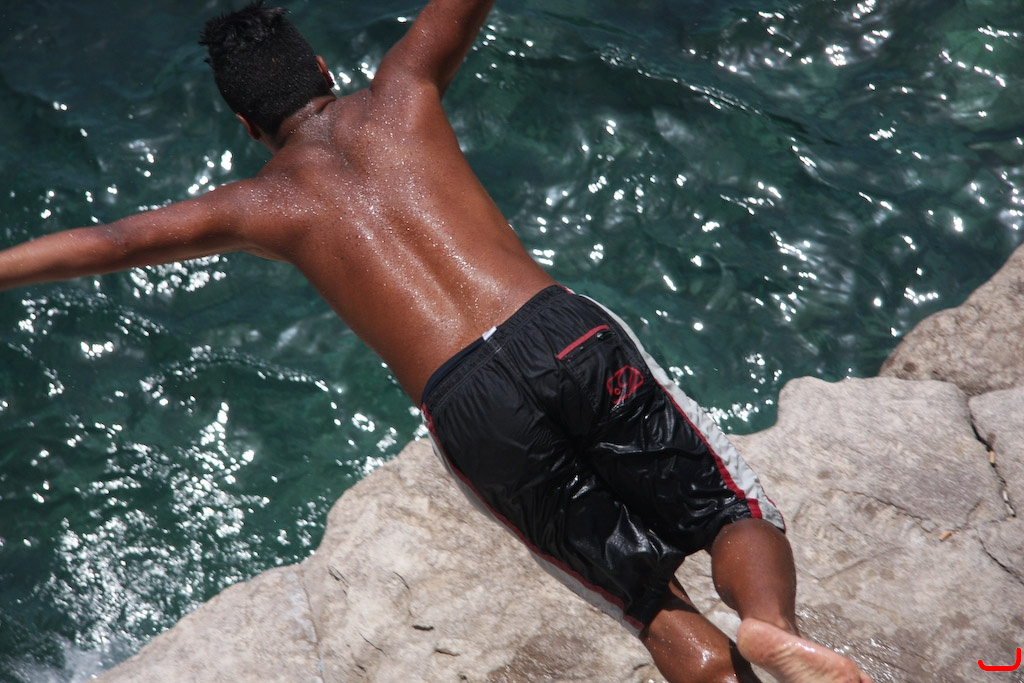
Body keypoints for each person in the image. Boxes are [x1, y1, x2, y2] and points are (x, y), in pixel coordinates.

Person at [0, 1, 872, 681]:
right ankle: (771, 627)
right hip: (557, 333)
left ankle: (715, 665)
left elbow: (109, 241)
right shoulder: (403, 88)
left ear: (244, 125)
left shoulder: (256, 206)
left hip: (470, 405)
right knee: (729, 511)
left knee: (640, 597)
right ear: (321, 68)